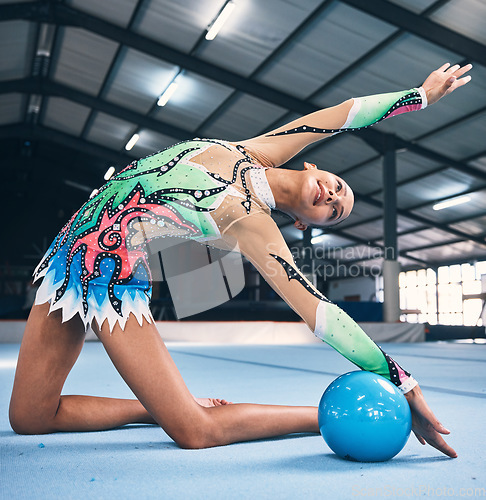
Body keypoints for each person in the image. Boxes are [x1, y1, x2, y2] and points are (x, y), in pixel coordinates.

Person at [9, 63, 471, 456]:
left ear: (305, 224)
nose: (331, 197)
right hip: (67, 252)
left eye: (334, 210)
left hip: (110, 273)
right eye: (338, 188)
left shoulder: (254, 225)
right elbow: (344, 115)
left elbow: (322, 315)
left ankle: (321, 418)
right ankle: (156, 406)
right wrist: (420, 97)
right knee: (30, 417)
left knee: (195, 432)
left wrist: (402, 380)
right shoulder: (258, 149)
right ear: (316, 169)